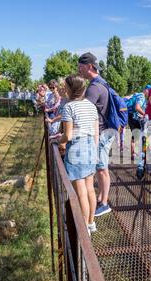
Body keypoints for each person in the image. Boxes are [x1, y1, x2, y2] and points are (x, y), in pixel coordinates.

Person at [56, 75, 99, 234]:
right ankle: (91, 223)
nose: (64, 88)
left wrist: (60, 142)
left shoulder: (69, 107)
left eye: (66, 86)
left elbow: (67, 134)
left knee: (80, 190)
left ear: (71, 88)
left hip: (77, 149)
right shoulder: (91, 105)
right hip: (90, 147)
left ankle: (83, 229)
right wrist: (94, 151)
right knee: (89, 188)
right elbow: (96, 132)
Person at [78, 52, 114, 217]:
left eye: (80, 67)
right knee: (101, 168)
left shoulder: (94, 87)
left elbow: (84, 111)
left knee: (102, 169)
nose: (79, 71)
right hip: (104, 130)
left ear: (89, 67)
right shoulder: (101, 83)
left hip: (102, 132)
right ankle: (101, 197)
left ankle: (105, 203)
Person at [127, 84, 151, 159]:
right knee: (146, 135)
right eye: (149, 92)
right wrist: (145, 115)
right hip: (137, 118)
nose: (150, 94)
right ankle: (144, 154)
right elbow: (137, 107)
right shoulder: (142, 96)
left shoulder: (136, 94)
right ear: (146, 90)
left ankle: (133, 154)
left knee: (134, 136)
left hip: (130, 116)